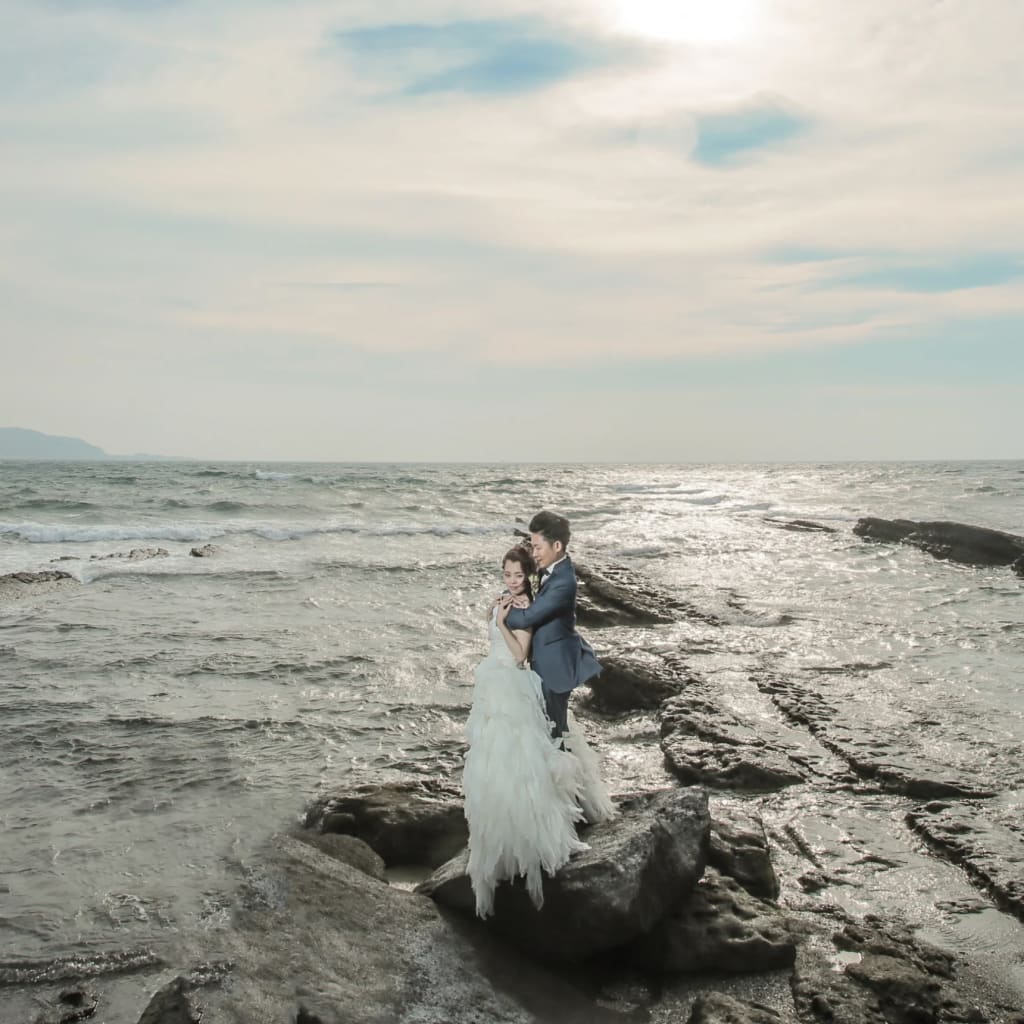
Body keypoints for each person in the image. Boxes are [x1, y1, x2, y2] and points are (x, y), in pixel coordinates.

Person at [463, 546, 588, 917]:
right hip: (491, 684)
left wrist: (502, 622)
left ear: (528, 576)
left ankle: (530, 841)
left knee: (519, 762)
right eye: (507, 574)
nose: (512, 582)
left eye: (518, 576)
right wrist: (494, 613)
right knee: (490, 762)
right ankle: (499, 844)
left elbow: (520, 655)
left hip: (513, 685)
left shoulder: (526, 609)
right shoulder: (505, 600)